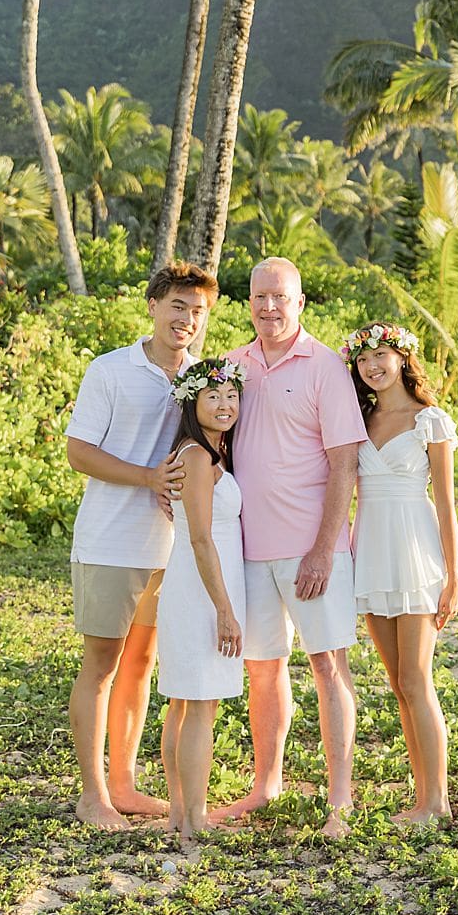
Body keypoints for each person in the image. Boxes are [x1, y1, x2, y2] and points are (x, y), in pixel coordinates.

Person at [64, 260, 219, 830]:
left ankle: (125, 786)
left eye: (198, 311)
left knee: (141, 667)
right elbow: (79, 451)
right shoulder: (110, 371)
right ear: (153, 306)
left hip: (171, 548)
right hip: (111, 542)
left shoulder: (204, 377)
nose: (187, 319)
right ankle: (93, 796)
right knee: (101, 667)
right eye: (178, 306)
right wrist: (149, 477)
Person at [221, 257, 367, 838]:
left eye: (281, 297)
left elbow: (344, 463)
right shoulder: (231, 367)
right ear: (249, 301)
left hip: (314, 548)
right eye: (260, 296)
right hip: (249, 549)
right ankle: (267, 784)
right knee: (263, 668)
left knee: (328, 665)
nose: (270, 307)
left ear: (300, 302)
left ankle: (339, 798)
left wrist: (322, 548)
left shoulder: (326, 367)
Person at [345, 321, 458, 826]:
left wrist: (454, 576)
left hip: (415, 555)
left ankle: (436, 803)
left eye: (382, 356)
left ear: (402, 359)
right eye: (364, 359)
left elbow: (447, 504)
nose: (373, 366)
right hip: (372, 552)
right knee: (397, 682)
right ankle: (422, 797)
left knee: (417, 679)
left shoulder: (429, 420)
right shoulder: (358, 420)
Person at [157, 358, 246, 845]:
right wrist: (225, 610)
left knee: (184, 702)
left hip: (205, 584)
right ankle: (194, 815)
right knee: (199, 705)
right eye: (213, 396)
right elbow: (200, 539)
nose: (225, 404)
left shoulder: (213, 453)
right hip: (202, 589)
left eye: (231, 395)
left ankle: (178, 811)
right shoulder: (194, 455)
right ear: (193, 402)